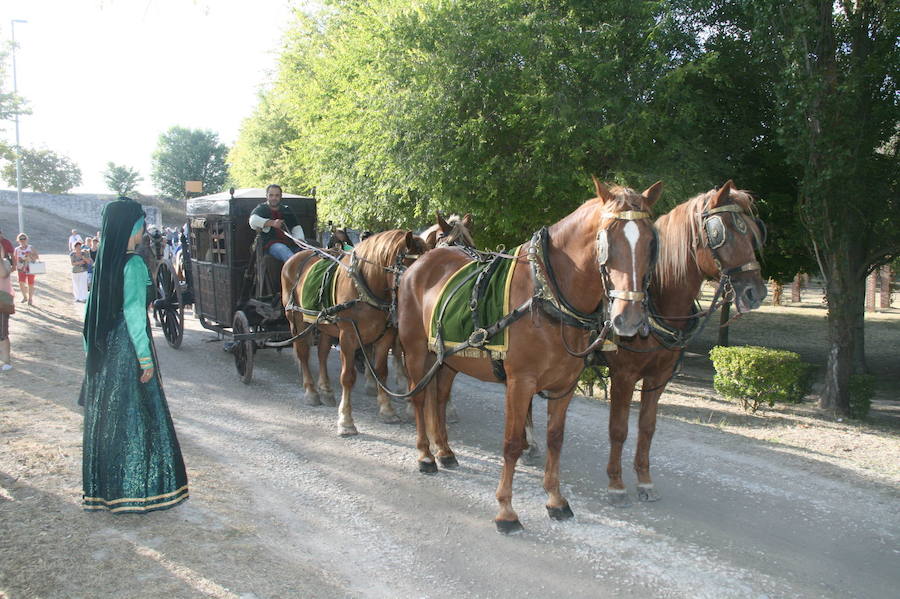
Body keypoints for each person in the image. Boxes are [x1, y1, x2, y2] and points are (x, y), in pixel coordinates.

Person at [79, 197, 188, 513]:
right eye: (140, 223)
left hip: (105, 350)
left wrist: (92, 354)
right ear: (133, 226)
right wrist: (145, 358)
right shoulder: (134, 264)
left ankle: (106, 491)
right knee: (136, 419)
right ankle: (136, 490)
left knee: (108, 419)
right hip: (127, 348)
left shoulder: (103, 262)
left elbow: (91, 315)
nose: (143, 230)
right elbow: (136, 317)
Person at [248, 184, 306, 262]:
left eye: (277, 195)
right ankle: (296, 271)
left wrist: (300, 239)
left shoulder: (287, 209)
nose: (274, 198)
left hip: (289, 243)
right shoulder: (261, 209)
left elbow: (296, 227)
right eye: (271, 195)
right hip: (271, 245)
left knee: (309, 251)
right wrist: (272, 223)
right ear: (267, 196)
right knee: (284, 251)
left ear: (280, 196)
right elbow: (253, 220)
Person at [12, 233, 38, 305]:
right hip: (21, 268)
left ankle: (30, 299)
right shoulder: (16, 249)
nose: (23, 240)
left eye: (24, 238)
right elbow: (14, 259)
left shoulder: (30, 247)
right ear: (18, 240)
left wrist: (30, 255)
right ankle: (24, 297)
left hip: (31, 267)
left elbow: (37, 256)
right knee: (21, 283)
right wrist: (14, 266)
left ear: (27, 239)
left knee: (30, 283)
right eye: (21, 239)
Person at [0, 237, 13, 371]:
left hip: (2, 301)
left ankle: (7, 361)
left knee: (2, 333)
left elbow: (3, 273)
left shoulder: (5, 263)